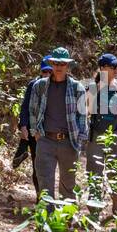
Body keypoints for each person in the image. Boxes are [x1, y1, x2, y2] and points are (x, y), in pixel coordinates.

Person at [26, 47, 87, 204]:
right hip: (46, 140)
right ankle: (48, 224)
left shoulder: (76, 87)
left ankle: (66, 222)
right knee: (45, 184)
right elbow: (32, 109)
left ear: (68, 66)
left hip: (69, 141)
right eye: (56, 63)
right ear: (51, 63)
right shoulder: (39, 86)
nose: (59, 67)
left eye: (62, 64)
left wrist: (79, 139)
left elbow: (82, 115)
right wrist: (35, 132)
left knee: (68, 185)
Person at [86, 53, 117, 218]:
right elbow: (86, 110)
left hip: (116, 135)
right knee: (94, 171)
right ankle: (94, 210)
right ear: (102, 68)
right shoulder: (93, 86)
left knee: (115, 170)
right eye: (113, 67)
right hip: (96, 135)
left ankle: (116, 200)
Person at [14, 57, 52, 198]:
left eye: (50, 71)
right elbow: (25, 106)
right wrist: (23, 125)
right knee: (38, 164)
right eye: (44, 71)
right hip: (33, 130)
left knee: (45, 166)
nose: (47, 74)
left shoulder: (57, 86)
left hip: (49, 132)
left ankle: (45, 195)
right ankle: (39, 195)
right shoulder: (33, 85)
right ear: (40, 71)